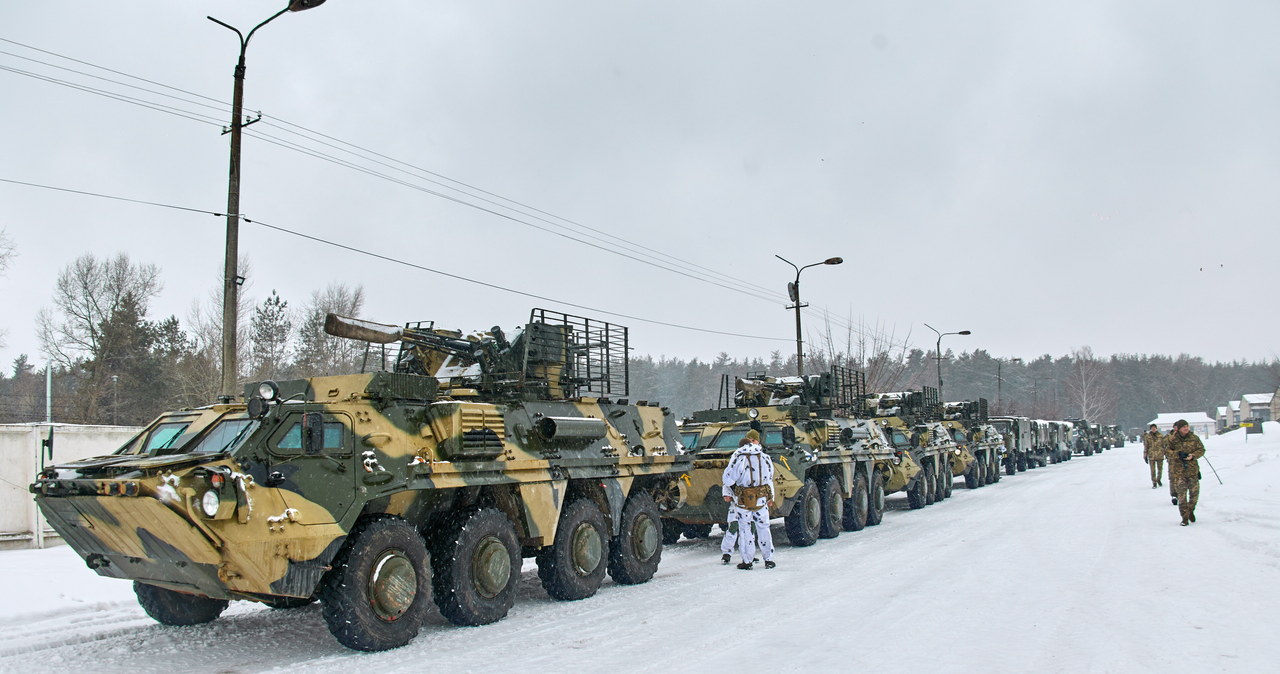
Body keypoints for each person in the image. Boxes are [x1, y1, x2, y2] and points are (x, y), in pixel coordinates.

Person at [721, 430, 776, 570]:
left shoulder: (739, 457)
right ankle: (769, 559)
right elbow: (769, 478)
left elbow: (728, 478)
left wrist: (733, 489)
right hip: (762, 499)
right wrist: (771, 497)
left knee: (745, 529)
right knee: (764, 528)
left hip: (743, 500)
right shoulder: (765, 457)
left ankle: (747, 560)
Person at [1164, 419, 1206, 526]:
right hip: (1179, 472)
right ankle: (1184, 517)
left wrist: (1193, 455)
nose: (1186, 428)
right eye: (1184, 427)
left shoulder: (1194, 438)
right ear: (1179, 429)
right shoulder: (1172, 440)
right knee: (1182, 497)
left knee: (1194, 495)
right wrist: (1178, 454)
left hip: (1192, 470)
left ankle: (1190, 510)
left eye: (1187, 426)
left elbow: (1201, 450)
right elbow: (1167, 452)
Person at [1142, 423, 1165, 489]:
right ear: (1150, 429)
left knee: (1160, 469)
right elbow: (1146, 446)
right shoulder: (1148, 437)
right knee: (1152, 470)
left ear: (1156, 428)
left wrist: (1166, 453)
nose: (1153, 429)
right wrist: (1145, 455)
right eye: (1152, 428)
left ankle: (1158, 479)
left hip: (1160, 455)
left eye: (1154, 428)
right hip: (1151, 455)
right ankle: (1154, 482)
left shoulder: (1160, 436)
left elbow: (1164, 445)